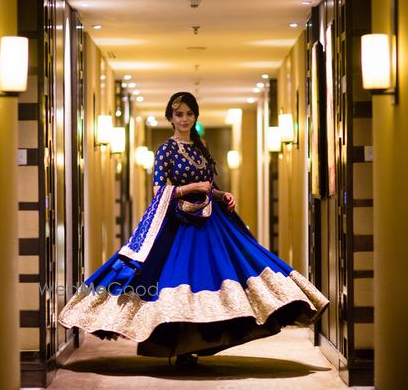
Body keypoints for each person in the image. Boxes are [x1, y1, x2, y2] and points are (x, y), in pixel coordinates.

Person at [58, 91, 328, 366]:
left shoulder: (201, 148)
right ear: (170, 118)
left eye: (189, 113)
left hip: (211, 221)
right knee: (178, 278)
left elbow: (209, 185)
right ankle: (178, 344)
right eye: (179, 114)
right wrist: (193, 188)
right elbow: (158, 191)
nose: (184, 119)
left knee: (217, 273)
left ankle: (201, 340)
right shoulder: (166, 150)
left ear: (195, 116)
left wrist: (224, 196)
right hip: (178, 225)